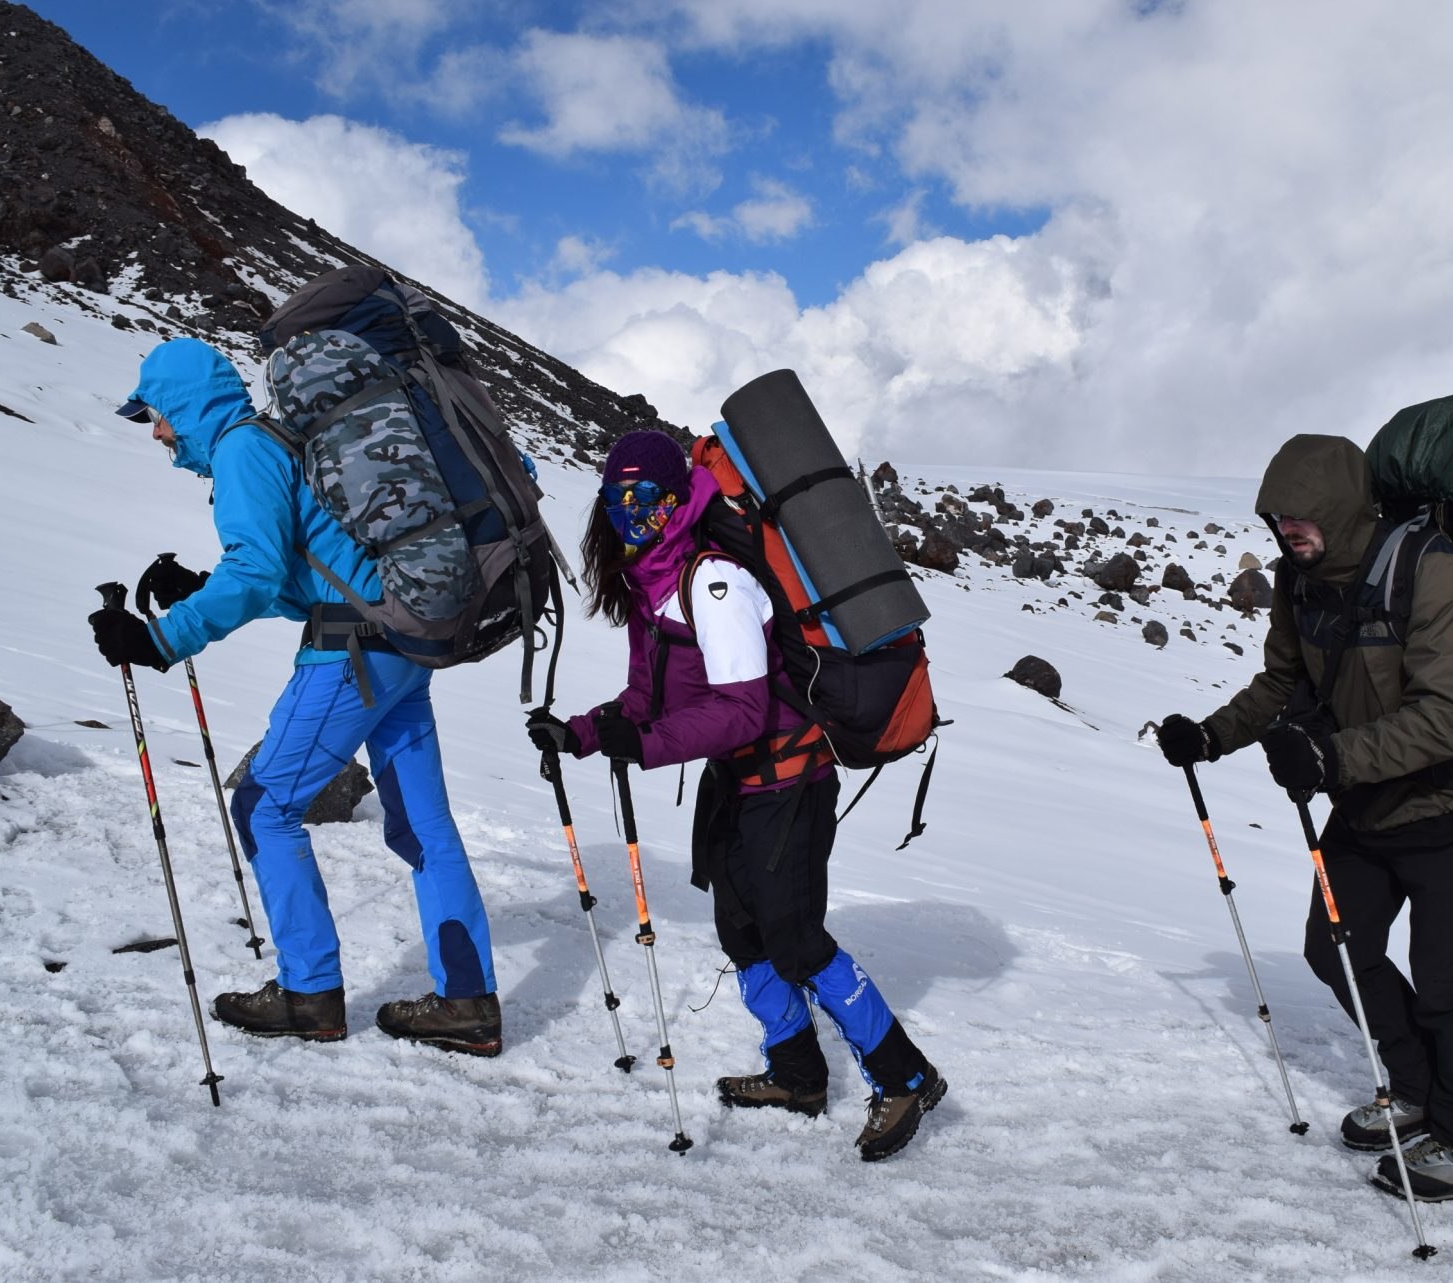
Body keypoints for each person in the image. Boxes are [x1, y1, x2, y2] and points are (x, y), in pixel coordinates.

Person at [525, 430, 946, 1161]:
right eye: (617, 500)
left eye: (646, 498)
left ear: (672, 499)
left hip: (788, 779)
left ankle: (905, 1076)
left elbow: (743, 709)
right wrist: (583, 734)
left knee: (798, 939)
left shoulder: (714, 582)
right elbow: (646, 698)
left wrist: (644, 746)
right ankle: (797, 1075)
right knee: (744, 933)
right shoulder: (655, 582)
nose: (632, 515)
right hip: (737, 780)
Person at [86, 337, 502, 1056]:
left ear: (186, 405)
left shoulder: (244, 450)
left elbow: (253, 570)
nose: (155, 432)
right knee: (423, 826)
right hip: (400, 639)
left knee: (264, 805)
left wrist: (161, 639)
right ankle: (467, 1001)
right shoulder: (278, 439)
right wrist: (199, 588)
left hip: (350, 650)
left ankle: (309, 994)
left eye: (155, 414)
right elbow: (316, 568)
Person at [1155, 434, 1453, 1202]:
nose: (1288, 530)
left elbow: (1447, 718)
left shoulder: (1433, 573)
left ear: (1344, 510)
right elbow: (1280, 680)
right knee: (1336, 948)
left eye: (1302, 516)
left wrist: (1331, 760)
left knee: (1448, 983)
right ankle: (1414, 1088)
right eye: (1278, 518)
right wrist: (1212, 734)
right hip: (1370, 805)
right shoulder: (1298, 579)